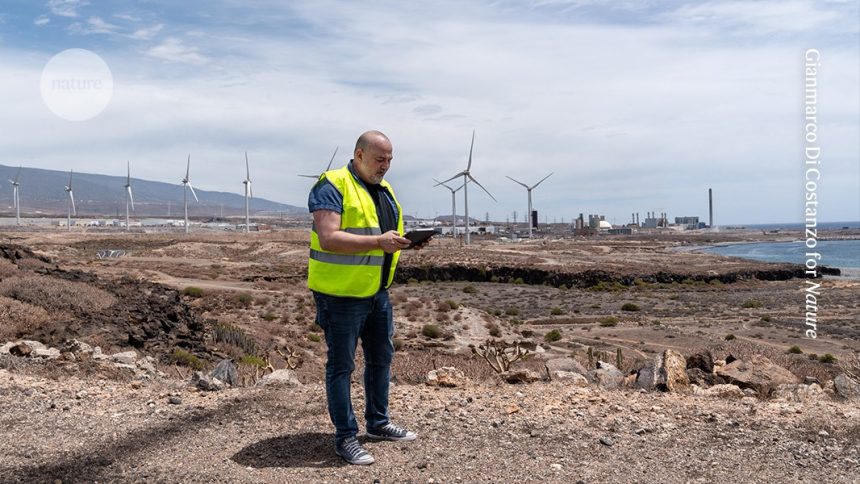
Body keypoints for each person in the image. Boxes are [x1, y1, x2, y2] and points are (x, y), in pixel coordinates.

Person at [307, 130, 423, 465]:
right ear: (359, 155)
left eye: (389, 160)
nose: (386, 166)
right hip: (340, 295)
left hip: (376, 292)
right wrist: (379, 243)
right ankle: (345, 438)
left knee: (381, 359)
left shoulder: (384, 191)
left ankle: (378, 423)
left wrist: (407, 242)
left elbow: (383, 237)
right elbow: (329, 238)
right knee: (342, 366)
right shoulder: (332, 184)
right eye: (379, 159)